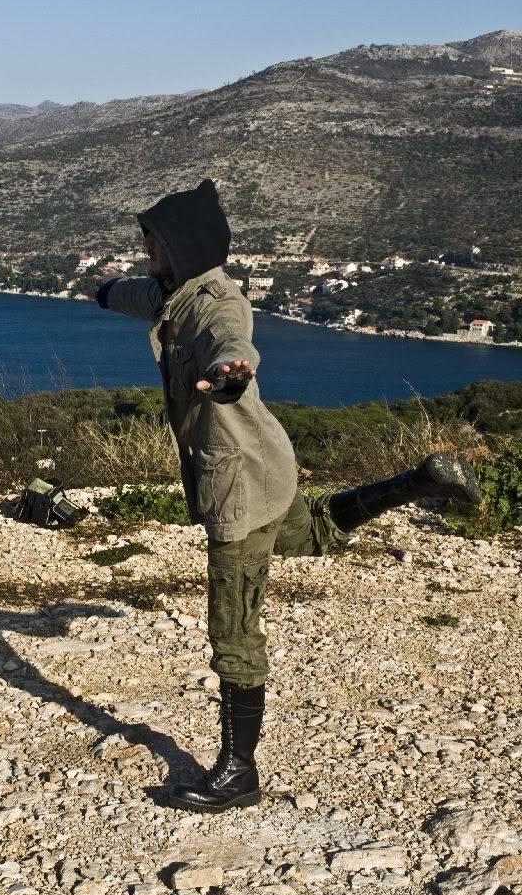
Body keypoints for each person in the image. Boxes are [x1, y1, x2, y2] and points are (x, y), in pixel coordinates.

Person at [94, 179, 481, 814]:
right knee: (316, 533)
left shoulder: (218, 305)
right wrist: (102, 291)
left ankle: (238, 772)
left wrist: (229, 374)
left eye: (153, 241)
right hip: (268, 464)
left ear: (180, 247)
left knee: (234, 631)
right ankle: (421, 482)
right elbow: (137, 296)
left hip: (236, 489)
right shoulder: (173, 292)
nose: (145, 249)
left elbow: (232, 342)